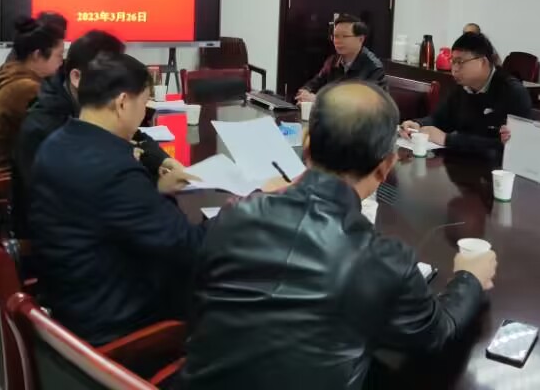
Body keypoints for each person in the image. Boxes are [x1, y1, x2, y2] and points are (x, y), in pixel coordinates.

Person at [180, 81, 496, 390]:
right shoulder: (383, 259)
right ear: (386, 166)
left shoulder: (234, 216)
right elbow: (436, 332)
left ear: (306, 146)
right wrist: (468, 277)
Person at [29, 53, 206, 346]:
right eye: (144, 103)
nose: (144, 113)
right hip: (118, 330)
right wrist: (245, 207)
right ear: (122, 103)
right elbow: (189, 245)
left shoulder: (55, 143)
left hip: (70, 306)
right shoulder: (114, 168)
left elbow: (104, 211)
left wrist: (155, 191)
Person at [11, 30, 177, 236]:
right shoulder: (46, 127)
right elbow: (77, 203)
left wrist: (162, 160)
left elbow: (135, 135)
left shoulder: (85, 105)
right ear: (77, 77)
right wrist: (156, 188)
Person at [399, 32, 531, 162]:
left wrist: (447, 139)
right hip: (460, 165)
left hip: (492, 169)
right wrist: (418, 124)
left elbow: (506, 146)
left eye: (460, 62)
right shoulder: (463, 87)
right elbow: (440, 118)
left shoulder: (512, 93)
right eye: (453, 62)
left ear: (483, 62)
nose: (454, 69)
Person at [0, 16, 65, 178]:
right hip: (8, 178)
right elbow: (55, 133)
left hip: (6, 169)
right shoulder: (26, 88)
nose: (61, 62)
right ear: (37, 55)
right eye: (59, 55)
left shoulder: (15, 73)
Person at [295, 14, 386, 103]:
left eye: (345, 36)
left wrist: (319, 100)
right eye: (335, 36)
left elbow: (367, 104)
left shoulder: (373, 68)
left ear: (361, 39)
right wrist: (305, 92)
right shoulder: (333, 61)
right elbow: (315, 83)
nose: (338, 41)